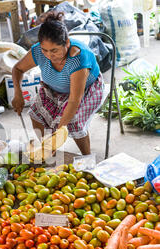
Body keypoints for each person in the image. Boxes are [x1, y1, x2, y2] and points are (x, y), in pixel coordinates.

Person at [11, 11, 104, 155]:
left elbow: (74, 100)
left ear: (67, 43)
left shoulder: (78, 58)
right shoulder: (38, 52)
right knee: (35, 113)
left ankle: (87, 157)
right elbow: (17, 69)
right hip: (54, 88)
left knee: (73, 122)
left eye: (54, 50)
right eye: (45, 50)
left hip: (86, 90)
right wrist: (18, 94)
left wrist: (59, 132)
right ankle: (47, 150)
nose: (49, 55)